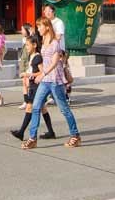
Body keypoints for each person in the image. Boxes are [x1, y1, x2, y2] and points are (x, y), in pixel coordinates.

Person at [20, 18, 81, 149]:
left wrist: (42, 74)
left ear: (47, 27)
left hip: (55, 81)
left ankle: (75, 135)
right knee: (36, 107)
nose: (39, 29)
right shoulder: (43, 42)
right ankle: (32, 138)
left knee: (64, 109)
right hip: (45, 81)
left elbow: (54, 63)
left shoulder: (55, 43)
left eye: (40, 26)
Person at [10, 28, 55, 141]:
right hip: (33, 86)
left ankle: (21, 132)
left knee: (30, 108)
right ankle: (51, 132)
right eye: (26, 45)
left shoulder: (38, 56)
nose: (27, 47)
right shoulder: (32, 56)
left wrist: (29, 74)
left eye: (28, 45)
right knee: (43, 109)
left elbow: (41, 71)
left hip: (38, 86)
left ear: (34, 45)